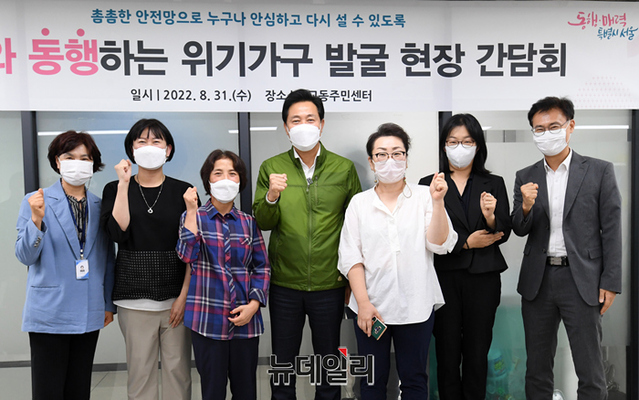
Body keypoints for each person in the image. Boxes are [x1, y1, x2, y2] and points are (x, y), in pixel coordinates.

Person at [253, 88, 362, 400]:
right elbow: (262, 222)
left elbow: (356, 226)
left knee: (328, 361)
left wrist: (351, 279)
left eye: (310, 119)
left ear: (322, 124)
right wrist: (272, 196)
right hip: (285, 283)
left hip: (329, 283)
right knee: (283, 362)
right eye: (296, 120)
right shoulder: (271, 167)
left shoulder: (343, 168)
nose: (303, 125)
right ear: (286, 127)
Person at [512, 96, 622, 399]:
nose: (546, 134)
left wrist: (610, 282)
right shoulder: (525, 176)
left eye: (554, 126)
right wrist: (526, 206)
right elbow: (519, 228)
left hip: (582, 279)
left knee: (590, 369)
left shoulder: (599, 171)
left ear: (570, 126)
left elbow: (612, 230)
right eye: (539, 129)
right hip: (538, 281)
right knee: (537, 368)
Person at [338, 123, 457, 399]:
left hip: (416, 306)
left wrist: (438, 202)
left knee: (414, 380)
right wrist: (363, 304)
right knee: (372, 382)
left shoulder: (425, 196)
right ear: (371, 161)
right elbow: (351, 258)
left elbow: (439, 244)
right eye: (381, 154)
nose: (389, 160)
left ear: (406, 158)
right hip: (372, 307)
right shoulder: (359, 203)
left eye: (397, 153)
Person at [15, 130, 115, 400]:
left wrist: (107, 304)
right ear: (57, 162)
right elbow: (24, 256)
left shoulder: (100, 206)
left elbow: (108, 257)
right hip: (49, 311)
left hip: (88, 310)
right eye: (69, 157)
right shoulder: (35, 200)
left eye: (85, 158)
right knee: (48, 391)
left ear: (93, 164)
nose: (77, 163)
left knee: (79, 389)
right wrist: (36, 220)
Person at [100, 119, 195, 400]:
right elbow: (118, 233)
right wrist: (124, 184)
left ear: (168, 149)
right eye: (141, 141)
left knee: (178, 373)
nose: (149, 146)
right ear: (132, 149)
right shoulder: (114, 189)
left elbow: (194, 250)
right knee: (140, 375)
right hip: (133, 299)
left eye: (156, 141)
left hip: (176, 300)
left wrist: (184, 296)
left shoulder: (184, 191)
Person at [419, 114, 511, 399]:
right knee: (446, 351)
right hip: (443, 277)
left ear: (478, 145)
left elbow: (503, 231)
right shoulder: (429, 183)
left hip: (483, 278)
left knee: (477, 351)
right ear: (444, 146)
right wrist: (466, 243)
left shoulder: (493, 182)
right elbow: (426, 234)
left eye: (467, 141)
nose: (460, 147)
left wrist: (490, 217)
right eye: (453, 141)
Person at [176, 150, 270, 400]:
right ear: (208, 180)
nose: (226, 179)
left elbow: (262, 266)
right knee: (213, 391)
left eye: (232, 173)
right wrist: (191, 211)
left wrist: (254, 304)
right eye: (218, 173)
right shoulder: (193, 217)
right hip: (207, 320)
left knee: (246, 391)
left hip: (245, 320)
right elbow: (186, 255)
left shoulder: (248, 222)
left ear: (240, 180)